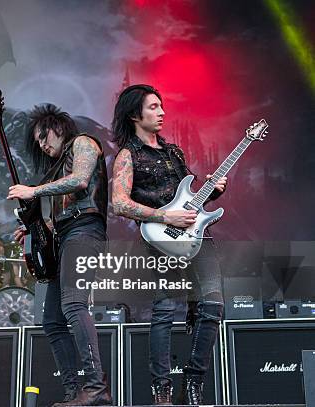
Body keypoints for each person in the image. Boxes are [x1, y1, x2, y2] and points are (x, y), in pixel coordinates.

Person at [110, 85, 226, 405]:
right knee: (164, 310)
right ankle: (162, 389)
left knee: (214, 305)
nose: (162, 112)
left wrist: (213, 191)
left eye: (162, 107)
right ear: (136, 114)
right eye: (154, 107)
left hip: (197, 237)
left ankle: (194, 379)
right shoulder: (127, 155)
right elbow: (119, 203)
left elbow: (191, 200)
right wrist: (164, 217)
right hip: (159, 242)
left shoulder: (175, 152)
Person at [8, 104, 112, 406]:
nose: (43, 144)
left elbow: (80, 180)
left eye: (44, 136)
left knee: (73, 304)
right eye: (38, 141)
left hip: (85, 231)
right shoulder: (53, 170)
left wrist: (33, 191)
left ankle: (96, 388)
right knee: (51, 319)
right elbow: (58, 214)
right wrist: (34, 231)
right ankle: (73, 391)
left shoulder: (83, 143)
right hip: (63, 238)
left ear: (58, 127)